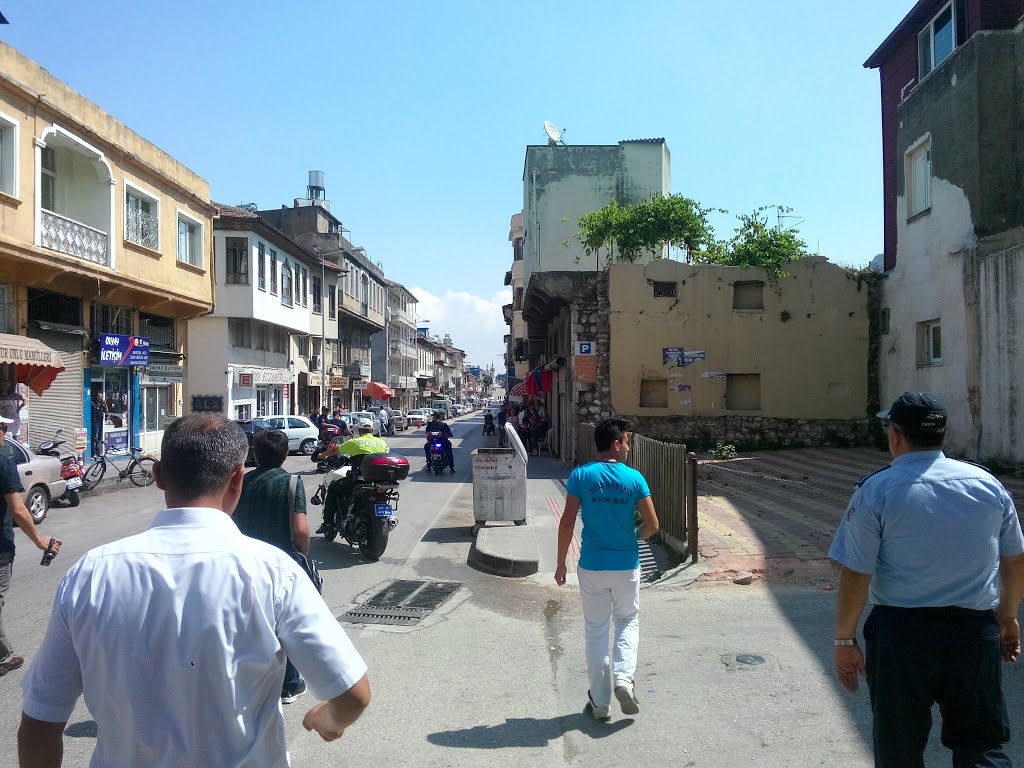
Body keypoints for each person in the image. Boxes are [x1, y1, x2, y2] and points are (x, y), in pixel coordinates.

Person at [18, 415, 370, 766]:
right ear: (237, 479)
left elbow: (40, 723)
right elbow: (353, 694)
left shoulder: (91, 573)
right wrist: (329, 720)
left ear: (158, 476)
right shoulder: (272, 571)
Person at [829, 392, 1024, 767]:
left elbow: (857, 572)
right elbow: (1015, 560)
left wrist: (844, 639)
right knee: (981, 746)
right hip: (973, 633)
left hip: (902, 635)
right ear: (943, 434)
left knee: (899, 747)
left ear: (897, 436)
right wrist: (1008, 617)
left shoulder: (877, 490)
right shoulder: (987, 484)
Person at [555, 417, 659, 723]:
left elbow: (566, 522)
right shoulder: (635, 479)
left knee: (596, 631)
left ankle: (600, 704)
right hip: (626, 565)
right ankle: (624, 680)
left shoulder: (581, 476)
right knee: (627, 621)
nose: (627, 447)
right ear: (616, 444)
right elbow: (653, 525)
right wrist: (632, 536)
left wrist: (561, 563)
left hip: (592, 566)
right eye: (626, 441)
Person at [231, 429, 312, 705]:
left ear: (255, 453)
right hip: (282, 564)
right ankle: (289, 685)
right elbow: (300, 530)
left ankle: (246, 680)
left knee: (249, 623)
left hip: (244, 561)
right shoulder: (291, 483)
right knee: (286, 626)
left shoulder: (241, 483)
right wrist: (304, 554)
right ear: (285, 454)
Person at [0, 416, 62, 678]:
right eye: (3, 429)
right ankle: (3, 656)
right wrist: (39, 540)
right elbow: (18, 509)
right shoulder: (3, 461)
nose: (5, 433)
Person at [314, 419, 388, 535]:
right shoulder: (382, 443)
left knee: (333, 488)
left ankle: (328, 523)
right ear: (372, 430)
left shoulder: (355, 442)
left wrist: (322, 455)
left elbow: (335, 450)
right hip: (378, 483)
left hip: (358, 482)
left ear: (358, 430)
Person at [90, 389, 107, 456]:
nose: (100, 397)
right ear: (96, 397)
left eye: (101, 396)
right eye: (99, 396)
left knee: (100, 437)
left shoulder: (101, 404)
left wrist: (105, 403)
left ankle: (98, 452)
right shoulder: (93, 403)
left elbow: (106, 411)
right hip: (95, 422)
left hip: (100, 422)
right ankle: (93, 452)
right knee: (95, 437)